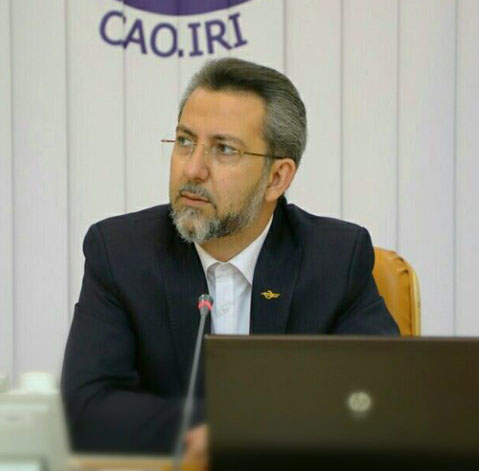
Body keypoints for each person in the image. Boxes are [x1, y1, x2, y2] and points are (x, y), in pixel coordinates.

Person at [61, 57, 399, 461]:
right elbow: (86, 411)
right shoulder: (121, 253)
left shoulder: (335, 258)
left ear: (276, 177)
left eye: (224, 149)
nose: (193, 168)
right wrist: (236, 430)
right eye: (185, 141)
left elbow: (377, 399)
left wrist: (241, 431)